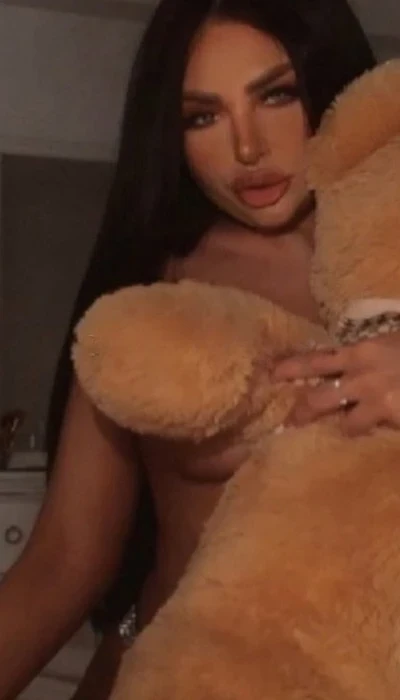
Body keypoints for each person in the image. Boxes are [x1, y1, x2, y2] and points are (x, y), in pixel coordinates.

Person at [1, 1, 400, 698]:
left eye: (276, 95)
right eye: (202, 116)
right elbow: (61, 564)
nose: (247, 148)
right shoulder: (157, 297)